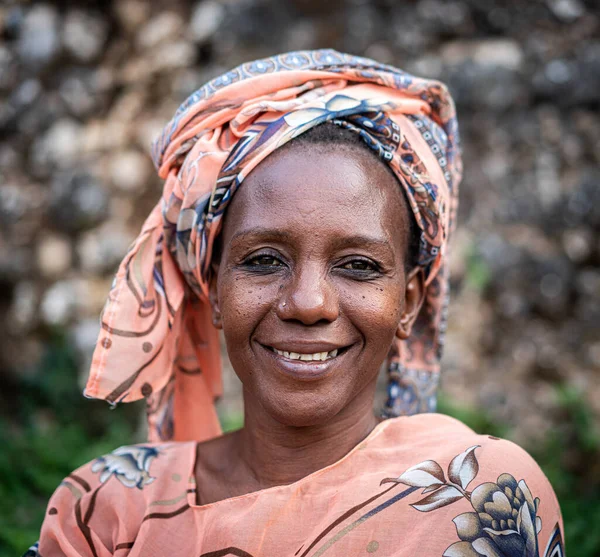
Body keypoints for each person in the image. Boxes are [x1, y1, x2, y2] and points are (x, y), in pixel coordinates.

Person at [28, 50, 564, 557]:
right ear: (213, 288)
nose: (308, 303)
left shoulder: (484, 499)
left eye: (359, 265)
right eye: (263, 260)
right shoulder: (109, 509)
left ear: (408, 301)